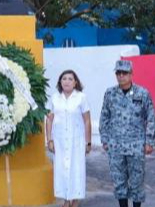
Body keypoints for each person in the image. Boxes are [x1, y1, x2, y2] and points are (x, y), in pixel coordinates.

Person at [100, 60, 155, 207]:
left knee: (137, 181)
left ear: (131, 74)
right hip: (115, 145)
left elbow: (151, 117)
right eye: (118, 73)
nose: (121, 76)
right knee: (119, 181)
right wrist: (105, 139)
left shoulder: (142, 93)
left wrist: (149, 141)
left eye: (124, 73)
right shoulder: (110, 93)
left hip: (136, 145)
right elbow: (104, 116)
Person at [46, 70, 92, 207]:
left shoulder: (81, 97)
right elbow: (49, 119)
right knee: (62, 170)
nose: (67, 81)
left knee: (76, 170)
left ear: (75, 82)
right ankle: (66, 200)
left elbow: (87, 121)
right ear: (60, 82)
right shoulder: (55, 98)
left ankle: (75, 200)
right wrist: (49, 140)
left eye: (70, 79)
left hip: (76, 140)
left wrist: (88, 142)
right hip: (59, 141)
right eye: (64, 78)